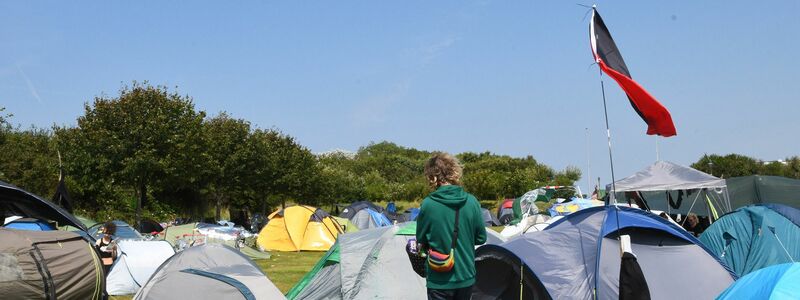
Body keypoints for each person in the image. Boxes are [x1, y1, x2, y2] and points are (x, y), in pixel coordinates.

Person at [416, 152, 487, 300]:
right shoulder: (472, 202)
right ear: (454, 172)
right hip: (465, 276)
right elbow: (481, 238)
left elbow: (421, 239)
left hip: (438, 278)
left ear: (432, 176)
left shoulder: (428, 204)